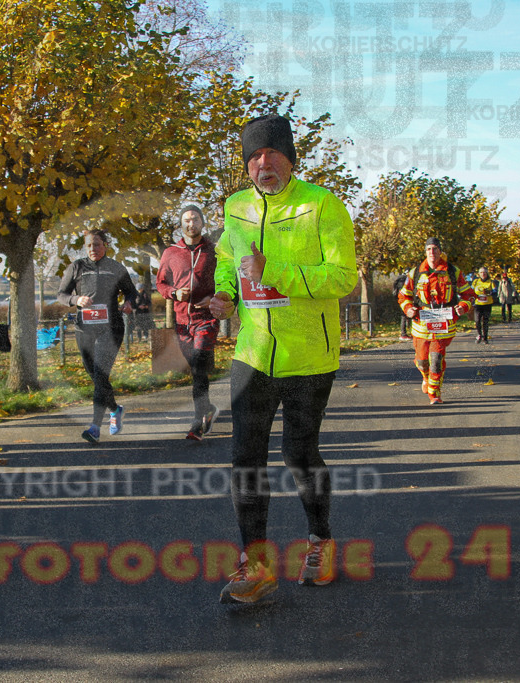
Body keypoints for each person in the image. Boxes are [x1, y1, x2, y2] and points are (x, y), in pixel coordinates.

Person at [208, 114, 357, 603]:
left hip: (309, 356)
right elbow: (228, 261)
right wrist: (226, 294)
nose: (263, 163)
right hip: (253, 353)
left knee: (299, 454)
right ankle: (256, 563)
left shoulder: (322, 204)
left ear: (290, 159)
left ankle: (320, 540)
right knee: (245, 459)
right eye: (254, 156)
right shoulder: (235, 207)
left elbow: (343, 278)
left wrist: (275, 271)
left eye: (272, 153)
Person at [58, 229, 137, 445]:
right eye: (89, 245)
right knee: (95, 375)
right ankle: (115, 409)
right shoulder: (76, 267)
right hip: (85, 328)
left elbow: (131, 292)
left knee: (101, 375)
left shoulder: (116, 267)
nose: (93, 248)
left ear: (105, 245)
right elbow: (61, 294)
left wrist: (129, 303)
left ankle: (94, 427)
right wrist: (76, 300)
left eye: (97, 244)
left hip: (111, 328)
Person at [156, 204, 220, 441]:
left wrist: (214, 298)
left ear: (202, 222)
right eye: (186, 220)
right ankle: (208, 408)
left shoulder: (214, 251)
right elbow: (161, 283)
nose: (191, 224)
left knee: (199, 367)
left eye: (195, 219)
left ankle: (197, 423)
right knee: (195, 370)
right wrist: (174, 293)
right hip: (182, 321)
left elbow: (227, 280)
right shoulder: (171, 253)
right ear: (181, 224)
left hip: (206, 319)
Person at [398, 237, 475, 405]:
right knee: (422, 361)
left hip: (443, 323)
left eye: (435, 249)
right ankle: (426, 378)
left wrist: (463, 306)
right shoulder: (415, 273)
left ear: (440, 251)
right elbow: (404, 296)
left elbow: (469, 294)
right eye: (428, 249)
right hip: (421, 325)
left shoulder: (453, 272)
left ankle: (434, 393)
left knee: (436, 359)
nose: (432, 252)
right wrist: (408, 309)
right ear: (425, 252)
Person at [471, 266, 494, 344]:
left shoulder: (491, 282)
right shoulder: (475, 282)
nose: (483, 274)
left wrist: (488, 292)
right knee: (477, 320)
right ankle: (479, 335)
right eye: (481, 272)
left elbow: (495, 291)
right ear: (479, 274)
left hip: (487, 304)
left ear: (487, 273)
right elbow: (470, 290)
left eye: (484, 272)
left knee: (485, 321)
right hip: (478, 304)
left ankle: (485, 337)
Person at [393, 272, 412, 340]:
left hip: (400, 300)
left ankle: (404, 333)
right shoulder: (405, 279)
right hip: (405, 300)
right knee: (405, 316)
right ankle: (404, 334)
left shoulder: (399, 279)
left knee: (403, 316)